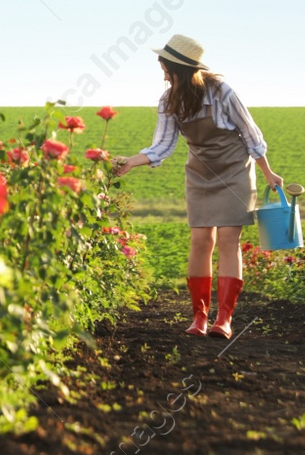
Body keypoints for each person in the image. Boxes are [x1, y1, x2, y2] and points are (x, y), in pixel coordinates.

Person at [113, 34, 283, 339]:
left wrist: (268, 173)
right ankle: (200, 317)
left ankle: (224, 318)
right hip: (200, 174)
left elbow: (250, 133)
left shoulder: (222, 92)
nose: (162, 71)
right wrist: (130, 162)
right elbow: (163, 145)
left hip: (234, 171)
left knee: (230, 239)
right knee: (201, 240)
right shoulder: (169, 101)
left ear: (178, 67)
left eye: (164, 66)